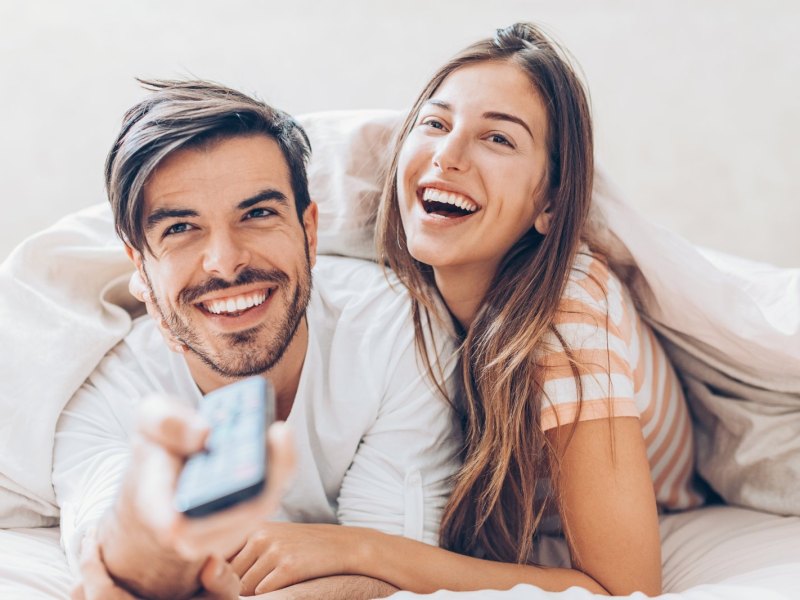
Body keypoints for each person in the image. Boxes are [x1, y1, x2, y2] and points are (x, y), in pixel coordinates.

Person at [224, 22, 707, 597]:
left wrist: (359, 549)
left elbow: (623, 587)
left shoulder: (567, 310)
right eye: (435, 123)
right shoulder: (374, 273)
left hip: (672, 494)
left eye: (498, 138)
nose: (448, 156)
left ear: (549, 204)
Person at [53, 79, 460, 600]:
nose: (226, 261)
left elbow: (385, 576)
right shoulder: (107, 393)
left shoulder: (398, 334)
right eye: (180, 228)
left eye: (258, 214)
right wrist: (156, 534)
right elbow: (116, 571)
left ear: (310, 233)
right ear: (140, 266)